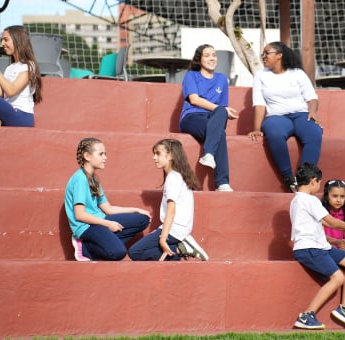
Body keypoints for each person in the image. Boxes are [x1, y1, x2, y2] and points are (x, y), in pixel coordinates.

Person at [290, 163, 345, 330]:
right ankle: (307, 315)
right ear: (313, 181)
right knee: (338, 278)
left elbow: (323, 221)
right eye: (318, 183)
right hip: (310, 248)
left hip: (321, 246)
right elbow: (331, 222)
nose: (318, 187)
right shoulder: (310, 199)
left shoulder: (297, 200)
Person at [249, 41, 323, 192]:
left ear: (279, 55)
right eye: (262, 54)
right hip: (276, 117)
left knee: (315, 133)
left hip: (301, 114)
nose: (263, 57)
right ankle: (289, 178)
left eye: (267, 53)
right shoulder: (260, 75)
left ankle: (304, 179)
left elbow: (312, 97)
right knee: (274, 134)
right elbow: (259, 103)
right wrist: (256, 128)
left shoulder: (297, 73)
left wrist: (313, 112)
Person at [64, 137, 151, 261]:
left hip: (99, 221)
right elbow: (80, 215)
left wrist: (136, 210)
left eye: (105, 154)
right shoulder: (80, 179)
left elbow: (108, 209)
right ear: (87, 156)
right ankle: (85, 247)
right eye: (101, 154)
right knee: (119, 252)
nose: (105, 158)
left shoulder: (94, 179)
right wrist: (108, 224)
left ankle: (106, 241)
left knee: (143, 219)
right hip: (86, 227)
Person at [128, 139, 209, 261]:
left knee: (135, 252)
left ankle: (180, 248)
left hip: (174, 229)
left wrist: (163, 237)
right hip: (179, 229)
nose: (154, 158)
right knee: (169, 257)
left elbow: (171, 209)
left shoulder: (173, 178)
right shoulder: (178, 176)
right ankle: (177, 251)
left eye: (158, 154)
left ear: (170, 155)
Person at [179, 44, 238, 192]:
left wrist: (222, 111)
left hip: (212, 118)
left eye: (214, 55)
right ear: (199, 60)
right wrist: (221, 110)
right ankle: (222, 182)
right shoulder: (191, 76)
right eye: (207, 55)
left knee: (221, 114)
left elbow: (222, 107)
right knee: (220, 132)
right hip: (192, 116)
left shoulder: (222, 79)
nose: (212, 58)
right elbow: (194, 100)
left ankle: (209, 154)